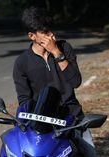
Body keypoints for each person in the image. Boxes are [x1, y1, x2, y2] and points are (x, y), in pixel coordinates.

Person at [12, 6, 95, 148]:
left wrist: (56, 52)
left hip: (72, 118)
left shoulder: (64, 48)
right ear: (32, 36)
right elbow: (25, 101)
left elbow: (76, 81)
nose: (51, 35)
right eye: (45, 32)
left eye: (51, 30)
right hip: (44, 126)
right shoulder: (22, 63)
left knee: (89, 151)